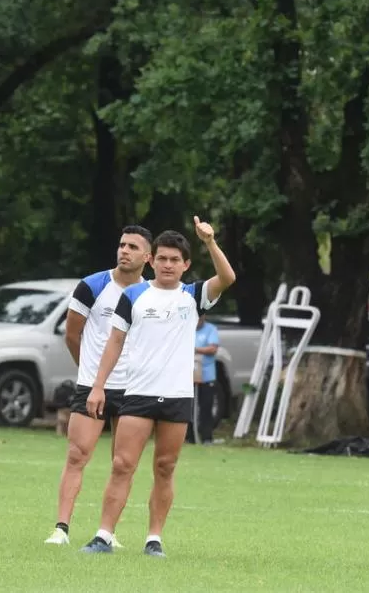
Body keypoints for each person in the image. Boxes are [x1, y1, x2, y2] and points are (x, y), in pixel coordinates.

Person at [81, 217, 236, 557]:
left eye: (175, 260)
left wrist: (210, 242)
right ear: (151, 261)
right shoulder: (134, 294)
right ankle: (103, 536)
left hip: (177, 396)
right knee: (122, 464)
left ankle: (154, 539)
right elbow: (114, 343)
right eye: (162, 258)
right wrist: (98, 386)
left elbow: (228, 278)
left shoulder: (193, 295)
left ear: (186, 265)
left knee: (165, 467)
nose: (168, 265)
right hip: (137, 393)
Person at [44, 225, 152, 547]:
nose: (124, 251)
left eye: (133, 246)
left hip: (133, 389)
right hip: (93, 386)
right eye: (121, 245)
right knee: (77, 455)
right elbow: (72, 334)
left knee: (124, 463)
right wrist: (91, 377)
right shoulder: (92, 285)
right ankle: (61, 529)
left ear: (147, 256)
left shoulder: (151, 295)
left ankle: (108, 533)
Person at [186, 313, 220, 445]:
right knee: (188, 408)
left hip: (206, 376)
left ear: (203, 318)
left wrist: (196, 350)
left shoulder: (210, 329)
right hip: (189, 376)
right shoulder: (186, 328)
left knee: (206, 407)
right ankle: (189, 437)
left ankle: (206, 437)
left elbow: (213, 348)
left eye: (199, 319)